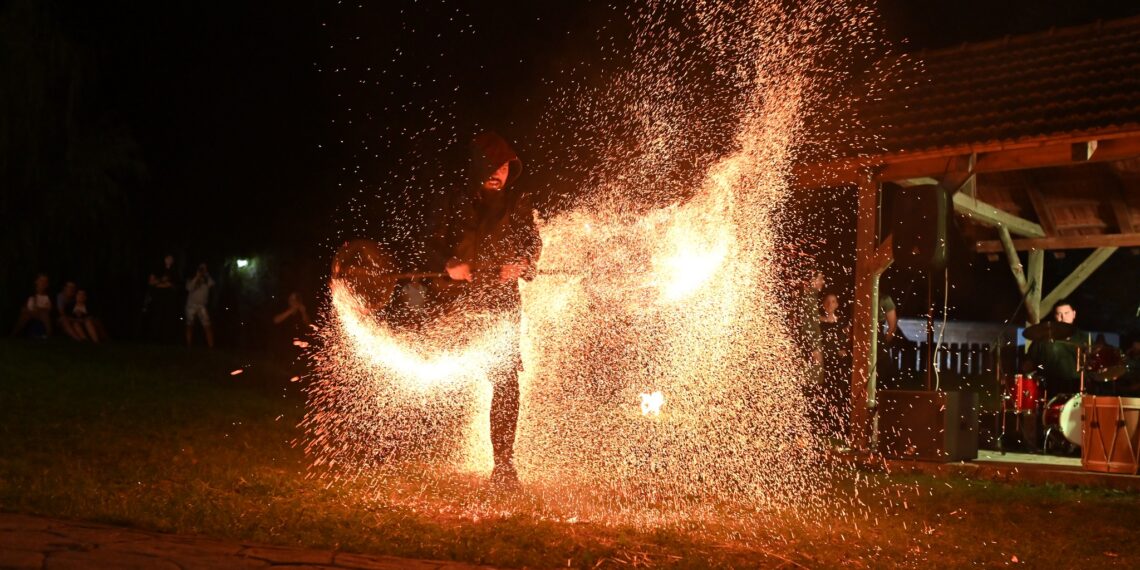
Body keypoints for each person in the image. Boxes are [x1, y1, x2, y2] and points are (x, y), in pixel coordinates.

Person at [429, 131, 541, 489]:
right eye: (492, 165)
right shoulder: (454, 201)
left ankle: (504, 466)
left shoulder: (518, 204)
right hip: (457, 304)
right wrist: (449, 264)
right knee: (442, 374)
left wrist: (523, 263)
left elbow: (532, 244)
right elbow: (430, 244)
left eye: (505, 166)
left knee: (506, 382)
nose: (498, 172)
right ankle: (421, 444)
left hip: (500, 304)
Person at [1024, 299, 1090, 396]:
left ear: (1074, 314)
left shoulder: (1084, 338)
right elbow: (1030, 363)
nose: (1063, 317)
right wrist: (1036, 368)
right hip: (1050, 389)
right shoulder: (1043, 339)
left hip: (1078, 389)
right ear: (1055, 316)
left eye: (1066, 313)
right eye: (1059, 314)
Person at [820, 292, 851, 442]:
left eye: (833, 301)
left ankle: (840, 426)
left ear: (837, 304)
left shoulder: (842, 322)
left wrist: (843, 349)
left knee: (840, 391)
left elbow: (846, 339)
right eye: (828, 302)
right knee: (827, 390)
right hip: (826, 360)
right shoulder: (819, 322)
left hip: (839, 361)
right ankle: (826, 424)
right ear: (824, 304)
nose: (831, 304)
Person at [145, 254, 181, 342]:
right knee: (156, 317)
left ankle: (166, 339)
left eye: (171, 258)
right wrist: (162, 281)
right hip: (158, 298)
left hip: (169, 299)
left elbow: (175, 285)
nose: (170, 260)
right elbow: (151, 282)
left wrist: (165, 284)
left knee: (167, 317)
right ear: (164, 259)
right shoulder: (157, 269)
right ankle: (153, 338)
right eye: (168, 258)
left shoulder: (175, 271)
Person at [11, 274, 53, 338]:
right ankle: (14, 334)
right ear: (36, 281)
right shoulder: (29, 293)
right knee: (25, 315)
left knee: (44, 314)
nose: (43, 283)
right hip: (29, 312)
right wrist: (28, 310)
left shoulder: (48, 296)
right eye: (41, 280)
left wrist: (40, 309)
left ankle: (49, 335)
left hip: (42, 313)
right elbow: (23, 307)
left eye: (45, 281)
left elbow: (49, 308)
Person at [185, 262, 215, 348]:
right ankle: (188, 345)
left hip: (202, 306)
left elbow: (212, 284)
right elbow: (188, 288)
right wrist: (196, 276)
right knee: (189, 325)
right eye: (201, 268)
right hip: (191, 305)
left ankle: (211, 347)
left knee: (207, 326)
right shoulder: (191, 278)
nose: (202, 269)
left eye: (204, 268)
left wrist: (206, 274)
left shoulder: (207, 279)